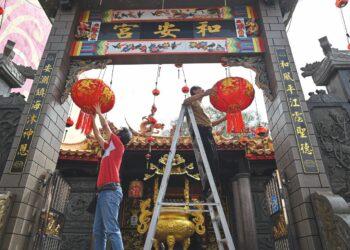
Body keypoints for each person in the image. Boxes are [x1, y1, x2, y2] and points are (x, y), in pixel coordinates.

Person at [92, 104, 132, 250]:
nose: (115, 131)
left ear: (120, 137)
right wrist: (92, 118)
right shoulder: (109, 148)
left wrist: (99, 111)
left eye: (118, 131)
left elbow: (106, 128)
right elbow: (98, 134)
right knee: (98, 231)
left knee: (111, 229)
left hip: (110, 191)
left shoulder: (119, 146)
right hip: (103, 192)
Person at [183, 86, 226, 195]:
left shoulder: (201, 105)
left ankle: (212, 184)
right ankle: (210, 186)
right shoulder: (193, 101)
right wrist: (204, 94)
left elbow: (210, 123)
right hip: (200, 130)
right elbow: (185, 101)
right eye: (200, 89)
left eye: (203, 89)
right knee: (209, 157)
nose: (202, 90)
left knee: (214, 159)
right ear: (194, 92)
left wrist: (225, 118)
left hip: (207, 130)